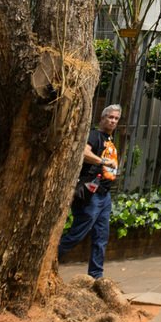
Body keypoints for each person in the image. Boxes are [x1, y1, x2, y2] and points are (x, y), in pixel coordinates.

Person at [58, 104, 121, 280]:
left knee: (101, 237)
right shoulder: (95, 135)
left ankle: (96, 276)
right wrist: (103, 161)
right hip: (91, 194)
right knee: (78, 233)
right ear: (102, 118)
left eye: (116, 118)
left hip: (104, 195)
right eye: (110, 117)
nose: (113, 121)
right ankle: (50, 259)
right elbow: (84, 153)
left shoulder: (109, 140)